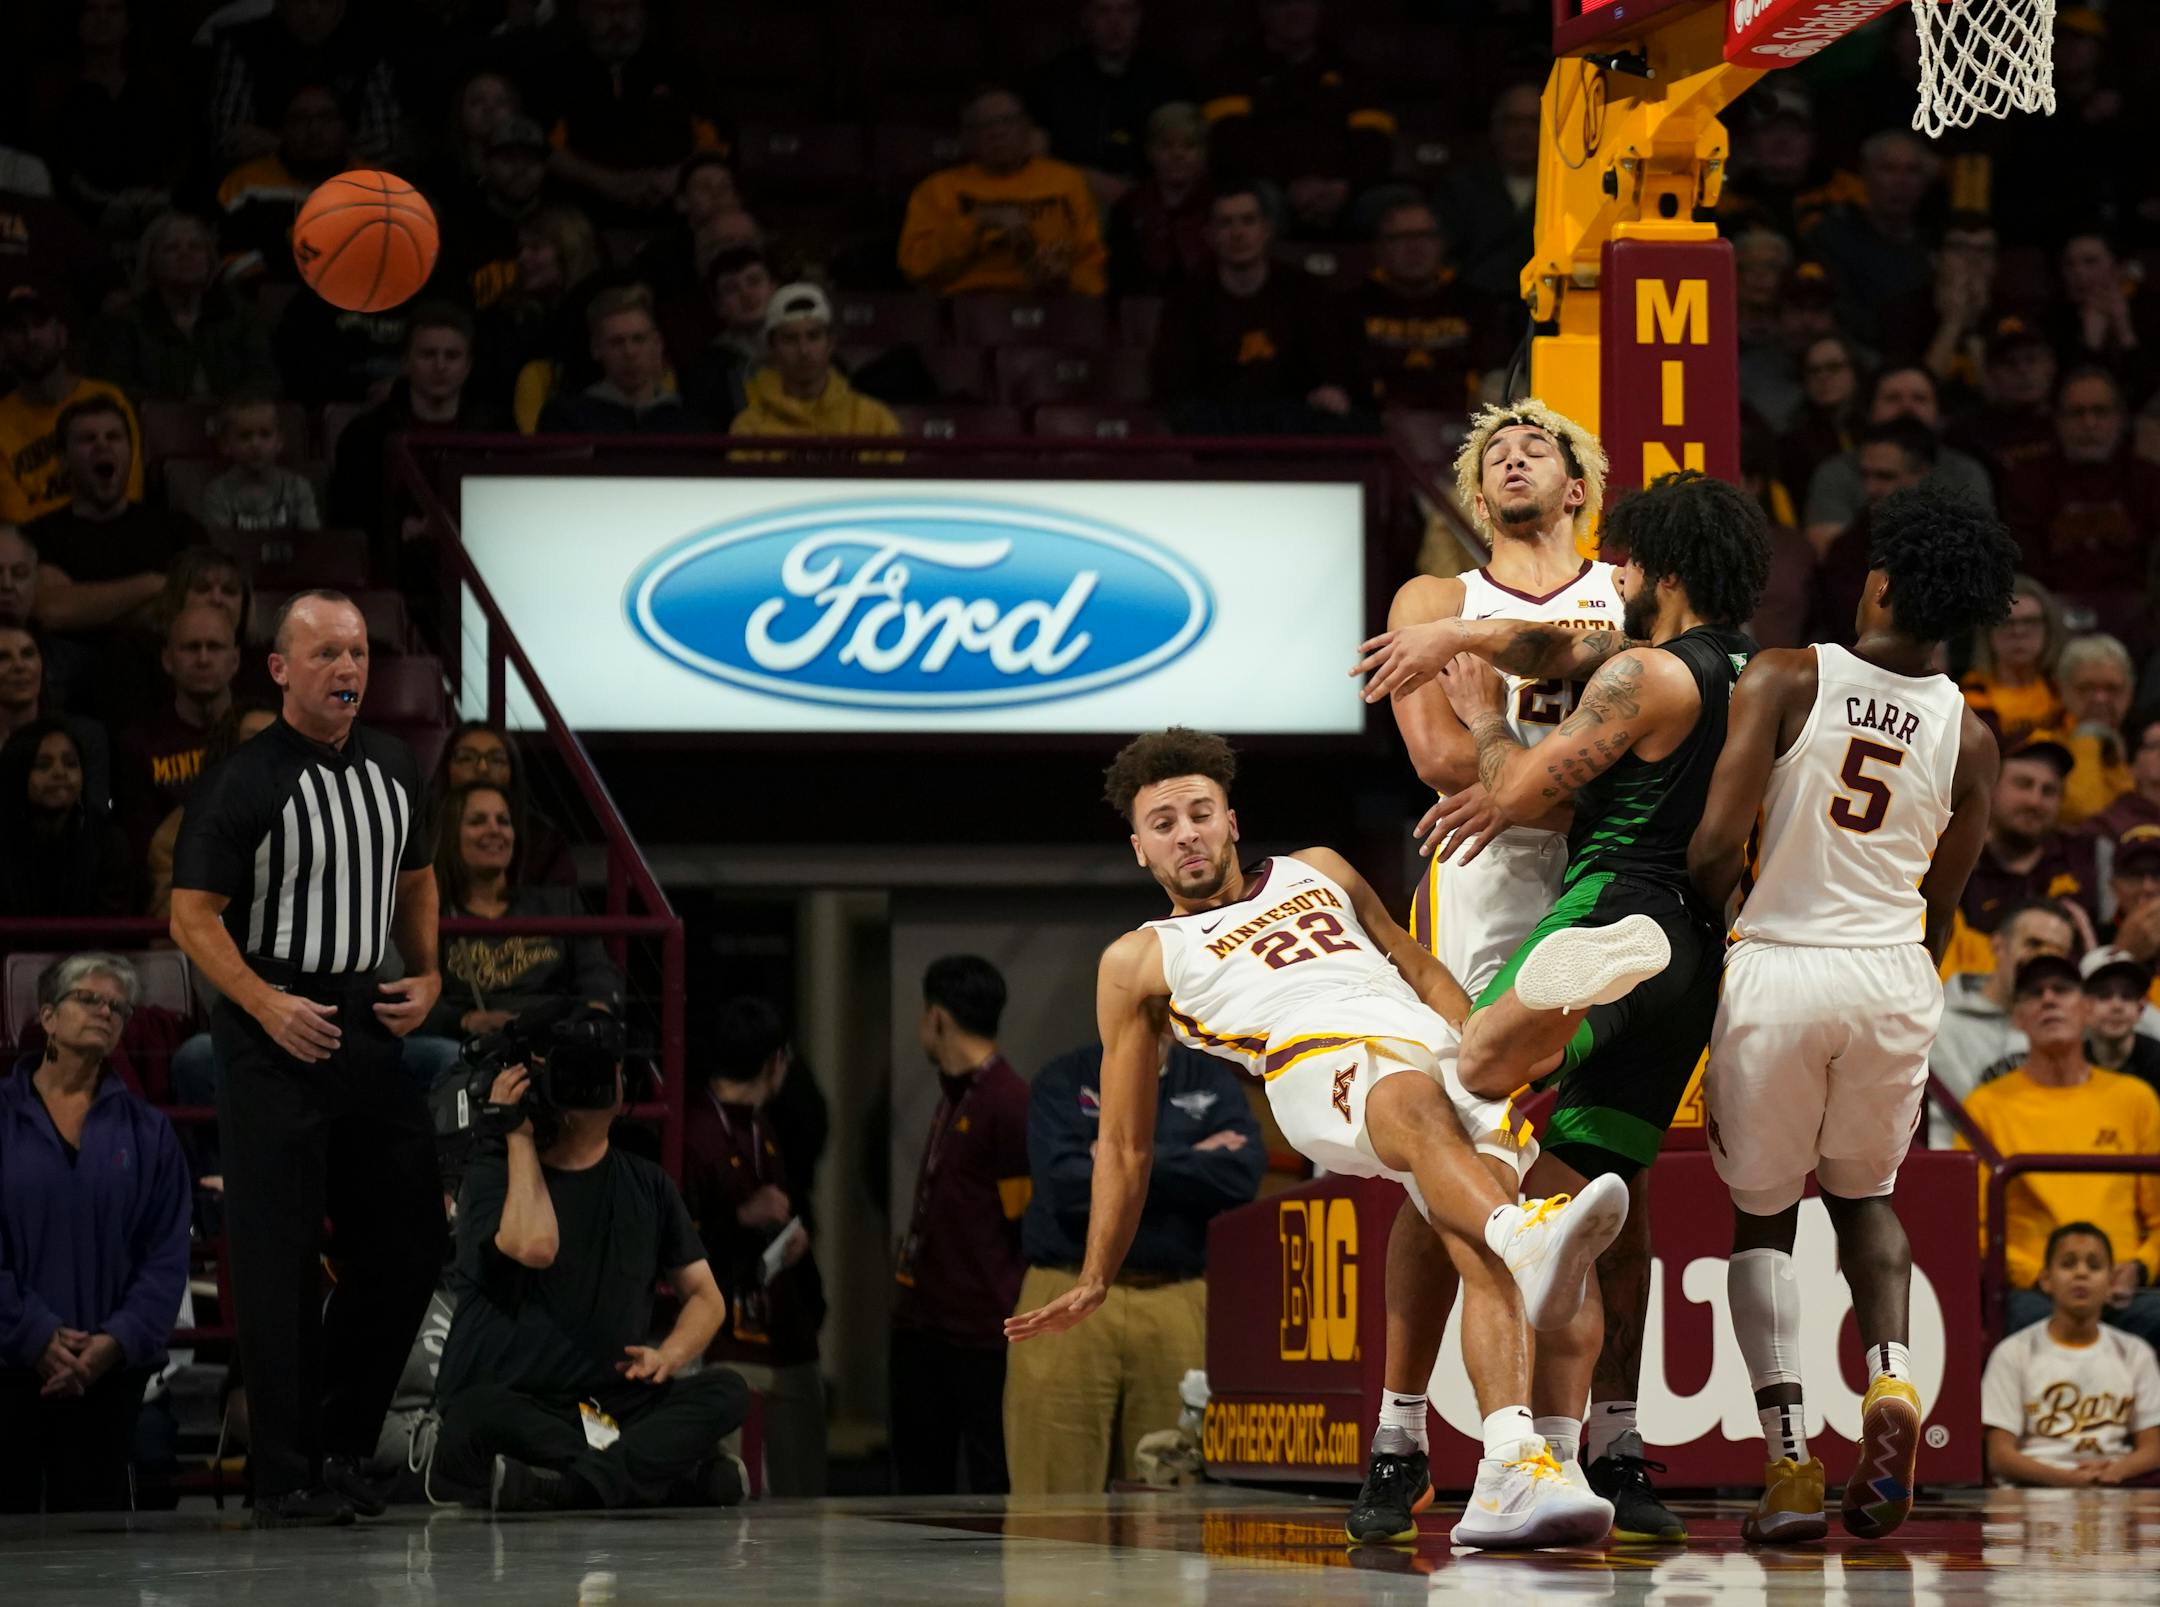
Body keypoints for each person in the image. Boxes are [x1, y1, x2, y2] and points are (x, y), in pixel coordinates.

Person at [1006, 728, 1624, 1550]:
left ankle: (1540, 1462)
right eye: (1164, 823)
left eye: (1199, 812)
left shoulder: (1319, 869)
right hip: (1315, 1064)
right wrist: (1095, 1272)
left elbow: (1417, 964)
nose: (1186, 832)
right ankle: (1519, 1278)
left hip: (1426, 1048)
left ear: (1231, 818)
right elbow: (1122, 1143)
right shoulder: (1141, 958)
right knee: (1474, 1195)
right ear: (1141, 850)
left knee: (1546, 1250)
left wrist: (1468, 1040)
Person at [1353, 468, 1774, 1541]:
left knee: (1466, 1085)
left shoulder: (1642, 676)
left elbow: (1514, 790)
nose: (1611, 576)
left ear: (1662, 572)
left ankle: (1434, 1433)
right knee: (1573, 1210)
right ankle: (1562, 1452)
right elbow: (1566, 649)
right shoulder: (1766, 672)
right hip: (1700, 949)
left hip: (1610, 898)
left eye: (1626, 562)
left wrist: (1489, 717)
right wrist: (1479, 640)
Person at [1688, 487, 2015, 1543]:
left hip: (1781, 962)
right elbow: (1946, 898)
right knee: (1868, 1198)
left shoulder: (1791, 674)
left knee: (1764, 1215)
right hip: (1890, 973)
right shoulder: (1973, 734)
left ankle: (1788, 1464)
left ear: (1876, 582)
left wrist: (1722, 927)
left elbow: (1709, 847)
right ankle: (1893, 1379)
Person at [167, 589, 445, 1526]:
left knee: (409, 1242)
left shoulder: (397, 766)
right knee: (279, 1257)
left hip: (364, 1017)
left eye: (360, 652)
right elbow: (191, 916)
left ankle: (338, 1444)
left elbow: (418, 872)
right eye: (326, 653)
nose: (350, 670)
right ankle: (281, 1473)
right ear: (280, 669)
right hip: (270, 1021)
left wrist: (434, 970)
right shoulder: (244, 778)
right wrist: (260, 1002)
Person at [425, 1011, 749, 1511]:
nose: (595, 1082)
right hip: (516, 1401)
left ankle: (564, 1487)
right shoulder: (495, 1172)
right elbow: (537, 1246)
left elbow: (706, 1298)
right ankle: (664, 1478)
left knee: (727, 1391)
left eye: (606, 1070)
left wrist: (670, 1355)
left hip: (604, 1407)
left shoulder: (649, 1184)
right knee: (471, 1416)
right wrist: (518, 1136)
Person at [1006, 1037, 1261, 1495]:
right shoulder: (1064, 1080)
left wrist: (1116, 1159)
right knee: (1051, 1497)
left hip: (1175, 1296)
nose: (1153, 1015)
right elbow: (1063, 1184)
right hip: (1065, 1294)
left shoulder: (1210, 1083)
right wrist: (1191, 1157)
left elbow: (1240, 1176)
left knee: (1171, 1490)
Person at [0, 953, 190, 1513]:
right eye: (90, 999)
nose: (106, 1012)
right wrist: (32, 1333)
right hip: (6, 1369)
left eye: (118, 1007)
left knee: (95, 1566)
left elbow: (165, 1258)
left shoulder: (150, 1132)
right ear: (48, 1017)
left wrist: (115, 1342)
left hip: (106, 1377)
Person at [1958, 955, 2160, 1347]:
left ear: (2086, 1008)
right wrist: (2038, 1275)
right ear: (2017, 1018)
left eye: (2062, 990)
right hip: (2034, 1289)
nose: (2049, 1000)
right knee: (2024, 1325)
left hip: (2124, 1283)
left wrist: (2138, 1267)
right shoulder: (1987, 1107)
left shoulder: (2135, 1100)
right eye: (2035, 994)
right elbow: (1974, 1226)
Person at [889, 955, 1032, 1497]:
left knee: (989, 1475)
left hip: (980, 1333)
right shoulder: (954, 1095)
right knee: (919, 1478)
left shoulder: (1007, 1102)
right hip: (927, 1324)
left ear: (938, 1019)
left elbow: (1022, 1222)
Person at [684, 996, 826, 1500]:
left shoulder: (768, 1123)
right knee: (737, 1493)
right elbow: (676, 1241)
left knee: (801, 1484)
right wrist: (742, 1218)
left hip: (785, 1330)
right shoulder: (695, 1131)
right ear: (775, 1061)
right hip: (724, 1336)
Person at [404, 780, 623, 1090]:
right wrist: (467, 1021)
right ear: (452, 835)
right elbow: (412, 998)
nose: (495, 830)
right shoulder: (431, 916)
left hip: (557, 1041)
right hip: (478, 1053)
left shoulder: (559, 904)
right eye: (478, 821)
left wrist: (593, 1019)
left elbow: (600, 974)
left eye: (503, 821)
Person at [26, 395, 198, 721]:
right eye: (88, 439)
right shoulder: (40, 535)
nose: (102, 446)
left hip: (161, 677)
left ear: (131, 454)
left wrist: (89, 607)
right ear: (62, 459)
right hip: (72, 689)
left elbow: (202, 602)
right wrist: (157, 584)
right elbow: (52, 610)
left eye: (114, 437)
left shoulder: (176, 528)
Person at [1150, 187, 1355, 435]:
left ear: (1266, 230)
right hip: (1214, 426)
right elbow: (1174, 388)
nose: (1238, 233)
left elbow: (1330, 368)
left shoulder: (1305, 291)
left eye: (1248, 221)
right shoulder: (1186, 301)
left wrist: (1329, 391)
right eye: (1226, 223)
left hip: (1293, 423)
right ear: (1210, 235)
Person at [1981, 1222, 2160, 1488]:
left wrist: (2116, 1471)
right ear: (2046, 1280)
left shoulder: (2135, 1352)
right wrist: (2070, 1480)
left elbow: (2153, 1449)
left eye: (2094, 1265)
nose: (2081, 1273)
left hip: (2111, 1487)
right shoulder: (2013, 1353)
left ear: (2111, 1281)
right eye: (2068, 1264)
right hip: (2034, 1490)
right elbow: (2000, 1456)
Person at [1201, 0, 1394, 238]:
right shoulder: (1233, 70)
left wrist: (1344, 186)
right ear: (1263, 10)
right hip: (1273, 190)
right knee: (1257, 200)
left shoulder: (1351, 71)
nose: (1295, 11)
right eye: (1283, 3)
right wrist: (1288, 185)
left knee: (1395, 203)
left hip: (1345, 193)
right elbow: (1230, 142)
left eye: (1305, 2)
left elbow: (1375, 143)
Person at [2001, 367, 2160, 654]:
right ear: (2058, 421)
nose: (2089, 423)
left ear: (2120, 420)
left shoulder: (2149, 480)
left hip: (2137, 616)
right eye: (2077, 413)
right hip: (2051, 615)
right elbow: (2022, 563)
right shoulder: (2028, 480)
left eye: (2100, 411)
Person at [898, 86, 1108, 298]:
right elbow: (916, 267)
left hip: (1053, 302)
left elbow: (1093, 265)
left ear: (1027, 127)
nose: (998, 133)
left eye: (1007, 121)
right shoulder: (937, 188)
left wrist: (1067, 279)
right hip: (968, 306)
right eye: (984, 125)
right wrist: (977, 222)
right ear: (967, 137)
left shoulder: (1066, 180)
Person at [528, 0, 724, 225]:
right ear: (585, 13)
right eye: (606, 9)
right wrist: (607, 181)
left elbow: (717, 139)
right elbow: (543, 144)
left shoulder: (680, 67)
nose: (617, 20)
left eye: (627, 8)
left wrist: (677, 176)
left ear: (643, 13)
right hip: (581, 215)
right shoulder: (558, 71)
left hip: (673, 210)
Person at [81, 212, 275, 403]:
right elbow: (116, 390)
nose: (185, 254)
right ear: (151, 261)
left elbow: (265, 380)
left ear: (210, 259)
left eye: (195, 246)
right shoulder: (125, 323)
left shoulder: (241, 316)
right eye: (171, 248)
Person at [1929, 897, 2078, 1145]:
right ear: (1998, 945)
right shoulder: (1936, 1022)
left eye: (2057, 951)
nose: (2042, 958)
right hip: (1957, 1167)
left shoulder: (2069, 1029)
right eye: (2034, 943)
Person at [1803, 366, 1995, 552]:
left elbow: (1980, 550)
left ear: (1939, 413)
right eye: (1892, 398)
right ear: (1869, 410)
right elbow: (1829, 553)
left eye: (1920, 399)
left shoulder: (1965, 470)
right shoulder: (1835, 472)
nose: (1907, 407)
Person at [0, 289, 144, 526]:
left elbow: (130, 491)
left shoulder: (107, 397)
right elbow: (16, 520)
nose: (30, 337)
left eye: (39, 324)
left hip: (116, 531)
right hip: (41, 547)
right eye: (17, 329)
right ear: (2, 346)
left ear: (62, 334)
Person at [1349, 199, 1501, 413]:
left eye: (1425, 236)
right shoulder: (1351, 305)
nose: (1414, 248)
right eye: (1400, 238)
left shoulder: (1476, 304)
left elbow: (1493, 369)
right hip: (1373, 426)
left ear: (1442, 243)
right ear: (1379, 246)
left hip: (1465, 424)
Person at [207, 0, 400, 167]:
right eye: (299, 1)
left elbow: (384, 142)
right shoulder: (246, 43)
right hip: (262, 183)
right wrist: (330, 149)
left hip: (349, 184)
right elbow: (231, 140)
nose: (312, 11)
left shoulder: (368, 45)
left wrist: (279, 145)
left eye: (324, 1)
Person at [1025, 0, 1188, 196]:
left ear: (1138, 18)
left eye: (1125, 11)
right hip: (1071, 194)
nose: (1115, 22)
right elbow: (1035, 154)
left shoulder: (1167, 79)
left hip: (1154, 198)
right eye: (1103, 11)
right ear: (1086, 19)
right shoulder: (1055, 79)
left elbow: (1187, 148)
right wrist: (1084, 179)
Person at [114, 603, 240, 849]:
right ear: (167, 659)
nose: (203, 659)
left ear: (235, 659)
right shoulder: (137, 744)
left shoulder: (262, 732)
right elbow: (143, 845)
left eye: (214, 647)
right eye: (191, 648)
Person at [1805, 131, 1938, 351]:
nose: (1901, 182)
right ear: (1865, 175)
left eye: (1912, 171)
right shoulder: (1833, 238)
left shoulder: (1935, 244)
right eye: (1889, 169)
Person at [218, 83, 357, 290]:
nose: (314, 130)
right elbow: (228, 255)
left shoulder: (379, 183)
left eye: (326, 118)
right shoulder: (244, 184)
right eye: (300, 120)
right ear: (282, 128)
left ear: (344, 126)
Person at [1959, 736, 2099, 934]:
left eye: (2048, 791)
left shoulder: (2087, 858)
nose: (2035, 801)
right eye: (2023, 784)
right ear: (1991, 787)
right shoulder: (1960, 863)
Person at [729, 283, 900, 440]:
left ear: (830, 343)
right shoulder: (749, 428)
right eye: (790, 339)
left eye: (814, 336)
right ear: (773, 348)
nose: (804, 350)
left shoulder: (876, 421)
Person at [0, 718, 133, 916]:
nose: (60, 773)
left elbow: (112, 928)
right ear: (18, 775)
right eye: (43, 765)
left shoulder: (108, 843)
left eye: (71, 763)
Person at [537, 285, 705, 434]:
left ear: (657, 344)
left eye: (638, 339)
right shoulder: (566, 419)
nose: (630, 352)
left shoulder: (690, 422)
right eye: (617, 342)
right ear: (596, 349)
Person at [427, 720, 576, 888]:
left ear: (512, 771)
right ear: (446, 769)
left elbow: (558, 906)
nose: (482, 768)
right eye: (466, 758)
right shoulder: (417, 831)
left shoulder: (544, 840)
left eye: (496, 760)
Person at [433, 115, 556, 314]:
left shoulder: (563, 223)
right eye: (508, 159)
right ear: (486, 164)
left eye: (531, 159)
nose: (521, 169)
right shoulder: (461, 226)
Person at [1435, 83, 1539, 303]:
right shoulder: (1460, 188)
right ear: (1495, 128)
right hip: (1476, 310)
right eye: (1512, 122)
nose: (1523, 133)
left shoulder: (1567, 190)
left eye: (1534, 122)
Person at [1104, 101, 1213, 297]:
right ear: (1150, 152)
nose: (1177, 154)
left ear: (1203, 153)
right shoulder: (1128, 208)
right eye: (1166, 146)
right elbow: (1120, 281)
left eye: (1189, 146)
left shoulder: (1221, 205)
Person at [0, 622, 111, 810]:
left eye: (28, 654)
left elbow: (96, 818)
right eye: (3, 657)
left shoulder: (83, 737)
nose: (19, 666)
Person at [1961, 574, 2067, 750]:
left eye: (2030, 621)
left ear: (2048, 629)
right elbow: (1994, 750)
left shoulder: (2061, 688)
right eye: (2006, 622)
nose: (2018, 632)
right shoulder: (1972, 691)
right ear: (1988, 633)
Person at [679, 248, 776, 427]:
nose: (746, 294)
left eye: (754, 281)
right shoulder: (703, 370)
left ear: (773, 288)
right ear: (718, 305)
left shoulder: (809, 348)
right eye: (731, 289)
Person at [201, 390, 319, 533]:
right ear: (225, 444)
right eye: (245, 436)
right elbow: (219, 546)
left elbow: (312, 542)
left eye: (265, 434)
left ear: (279, 440)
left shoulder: (298, 488)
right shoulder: (218, 494)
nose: (255, 444)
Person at [2053, 635, 2136, 826]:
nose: (2100, 699)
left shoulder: (2148, 746)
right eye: (2086, 688)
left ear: (2130, 692)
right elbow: (2082, 813)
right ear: (2062, 690)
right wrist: (2087, 736)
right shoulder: (2042, 746)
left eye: (2112, 688)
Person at [2080, 947, 2160, 1095]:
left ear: (2140, 1008)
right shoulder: (2070, 1063)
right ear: (2083, 1007)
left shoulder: (2156, 1062)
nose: (2117, 1006)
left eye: (2127, 995)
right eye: (2103, 995)